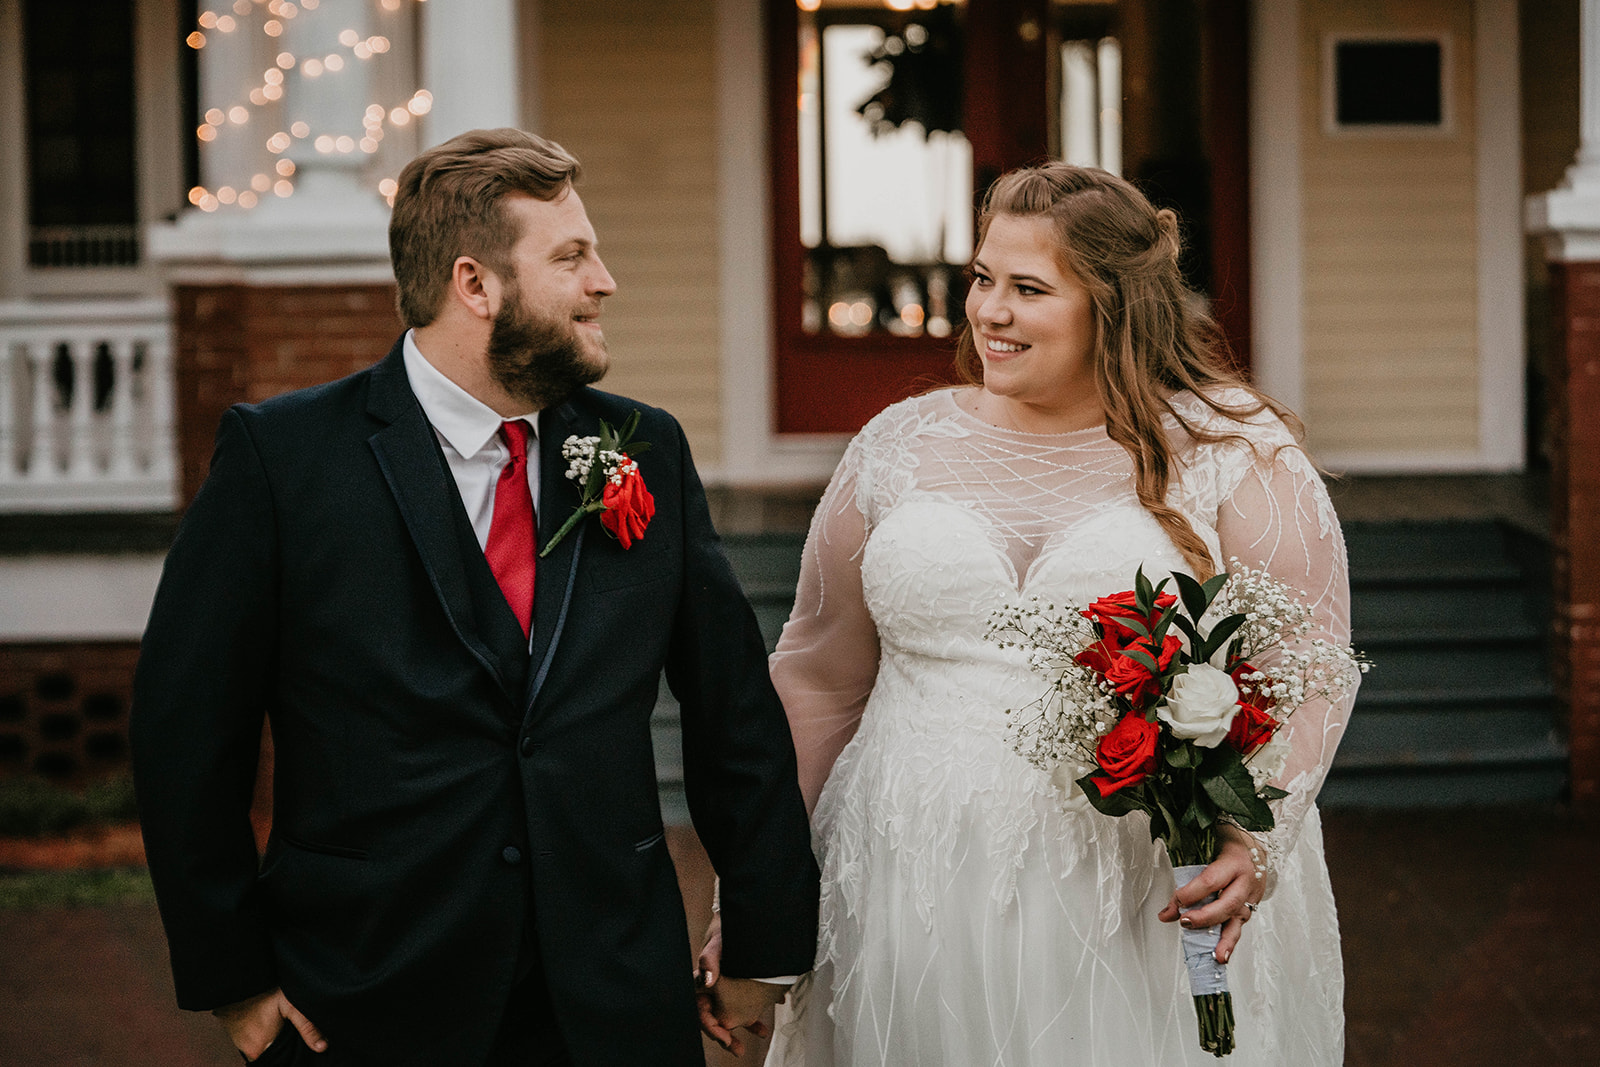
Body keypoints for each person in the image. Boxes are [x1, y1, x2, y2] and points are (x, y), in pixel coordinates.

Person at [131, 128, 819, 1067]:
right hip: (367, 994)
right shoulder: (283, 460)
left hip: (612, 997)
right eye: (572, 257)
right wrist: (235, 977)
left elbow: (733, 709)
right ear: (475, 285)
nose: (604, 280)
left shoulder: (642, 448)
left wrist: (762, 936)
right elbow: (186, 731)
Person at [699, 163, 1357, 1065]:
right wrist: (755, 900)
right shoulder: (899, 444)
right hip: (904, 881)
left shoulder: (1232, 452)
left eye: (1027, 289)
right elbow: (816, 681)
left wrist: (1255, 830)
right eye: (982, 279)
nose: (988, 312)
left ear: (1113, 306)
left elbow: (1308, 660)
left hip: (1135, 897)